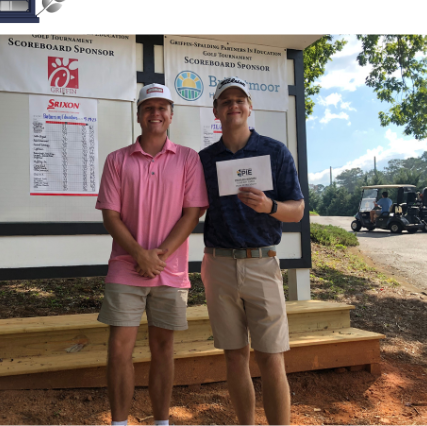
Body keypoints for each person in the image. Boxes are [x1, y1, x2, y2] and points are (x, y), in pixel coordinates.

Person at [95, 83, 209, 426]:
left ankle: (161, 421)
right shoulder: (117, 159)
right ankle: (119, 422)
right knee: (119, 350)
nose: (155, 113)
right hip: (125, 269)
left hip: (170, 271)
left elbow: (192, 213)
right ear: (139, 115)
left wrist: (158, 255)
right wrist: (139, 255)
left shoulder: (189, 158)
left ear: (171, 115)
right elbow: (110, 216)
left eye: (162, 107)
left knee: (163, 350)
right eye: (148, 107)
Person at [199, 76, 304, 426]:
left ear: (249, 106)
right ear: (216, 111)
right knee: (234, 357)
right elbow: (189, 210)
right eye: (226, 101)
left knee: (271, 358)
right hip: (219, 266)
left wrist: (270, 206)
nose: (233, 106)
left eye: (239, 99)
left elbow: (298, 209)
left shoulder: (274, 152)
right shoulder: (204, 160)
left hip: (262, 264)